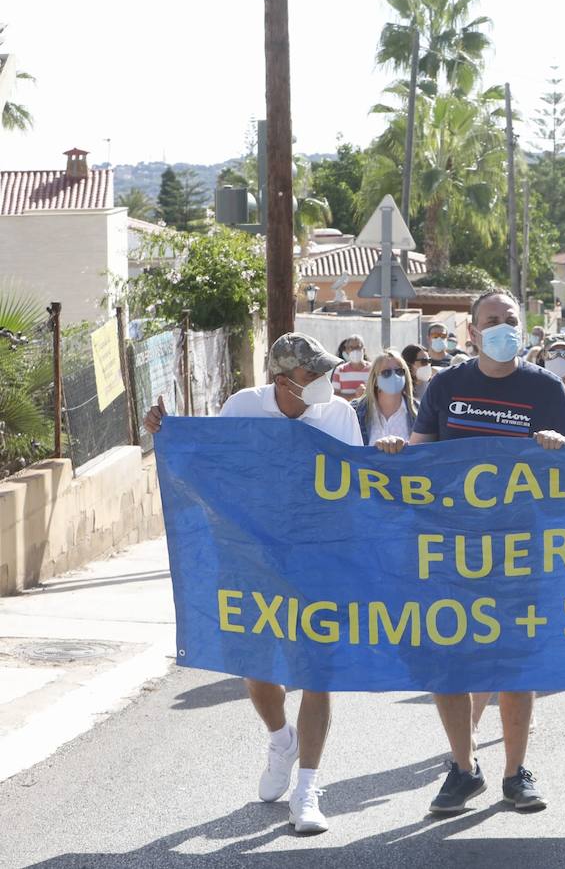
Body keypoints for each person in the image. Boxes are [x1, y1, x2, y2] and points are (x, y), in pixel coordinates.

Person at [142, 332, 362, 834]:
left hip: (317, 562)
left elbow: (357, 482)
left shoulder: (341, 414)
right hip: (251, 561)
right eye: (314, 374)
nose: (325, 381)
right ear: (284, 380)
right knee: (256, 667)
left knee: (316, 670)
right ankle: (280, 738)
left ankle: (307, 788)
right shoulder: (242, 405)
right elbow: (212, 467)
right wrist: (166, 430)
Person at [377, 289, 565, 815]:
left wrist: (557, 448)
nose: (502, 327)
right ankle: (463, 769)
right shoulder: (447, 385)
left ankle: (516, 773)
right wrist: (398, 454)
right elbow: (421, 456)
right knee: (451, 661)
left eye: (510, 320)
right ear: (471, 331)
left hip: (519, 549)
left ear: (523, 326)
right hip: (453, 547)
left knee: (514, 663)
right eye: (491, 320)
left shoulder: (546, 389)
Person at [352, 350, 417, 445]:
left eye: (399, 371)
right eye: (386, 372)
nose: (394, 376)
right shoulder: (356, 410)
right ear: (375, 380)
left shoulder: (419, 411)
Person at [331, 335, 369, 400]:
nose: (355, 350)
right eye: (351, 348)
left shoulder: (373, 369)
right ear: (347, 350)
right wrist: (355, 395)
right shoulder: (339, 370)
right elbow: (335, 395)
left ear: (364, 350)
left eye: (358, 347)